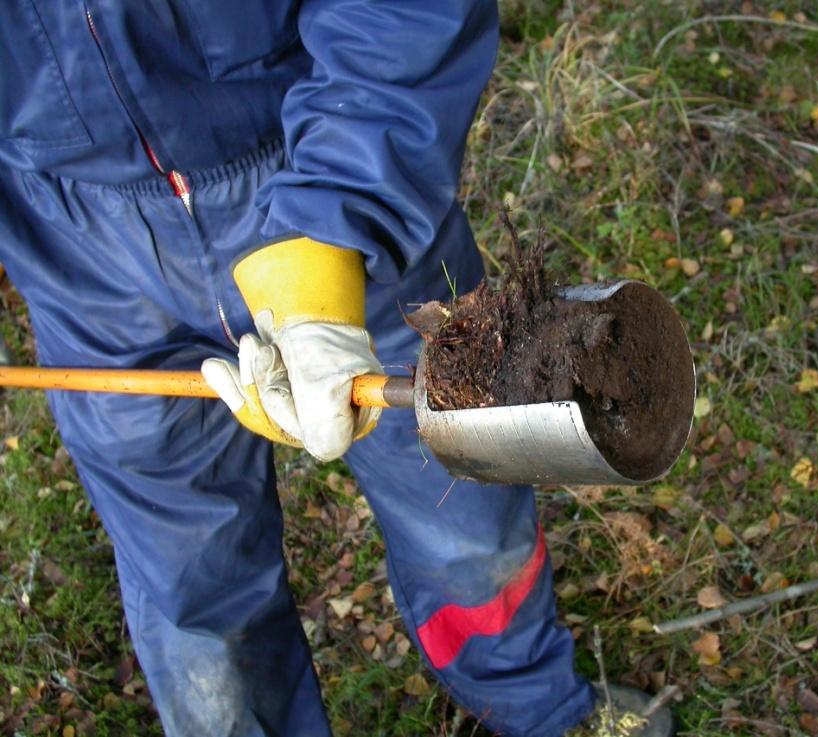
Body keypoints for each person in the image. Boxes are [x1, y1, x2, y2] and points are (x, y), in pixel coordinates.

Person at [0, 2, 671, 735]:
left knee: (469, 525)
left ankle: (537, 706)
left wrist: (336, 230)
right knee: (191, 586)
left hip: (331, 151)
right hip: (83, 260)